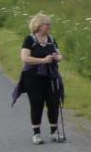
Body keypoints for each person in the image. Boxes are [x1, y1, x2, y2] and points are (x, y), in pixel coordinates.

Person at [18, 13, 63, 144]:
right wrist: (43, 60)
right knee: (37, 104)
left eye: (50, 24)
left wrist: (56, 57)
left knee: (53, 103)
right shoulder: (30, 39)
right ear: (38, 26)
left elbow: (60, 56)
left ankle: (54, 132)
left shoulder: (51, 39)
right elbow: (25, 58)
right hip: (33, 78)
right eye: (47, 24)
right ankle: (36, 134)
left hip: (51, 76)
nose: (49, 26)